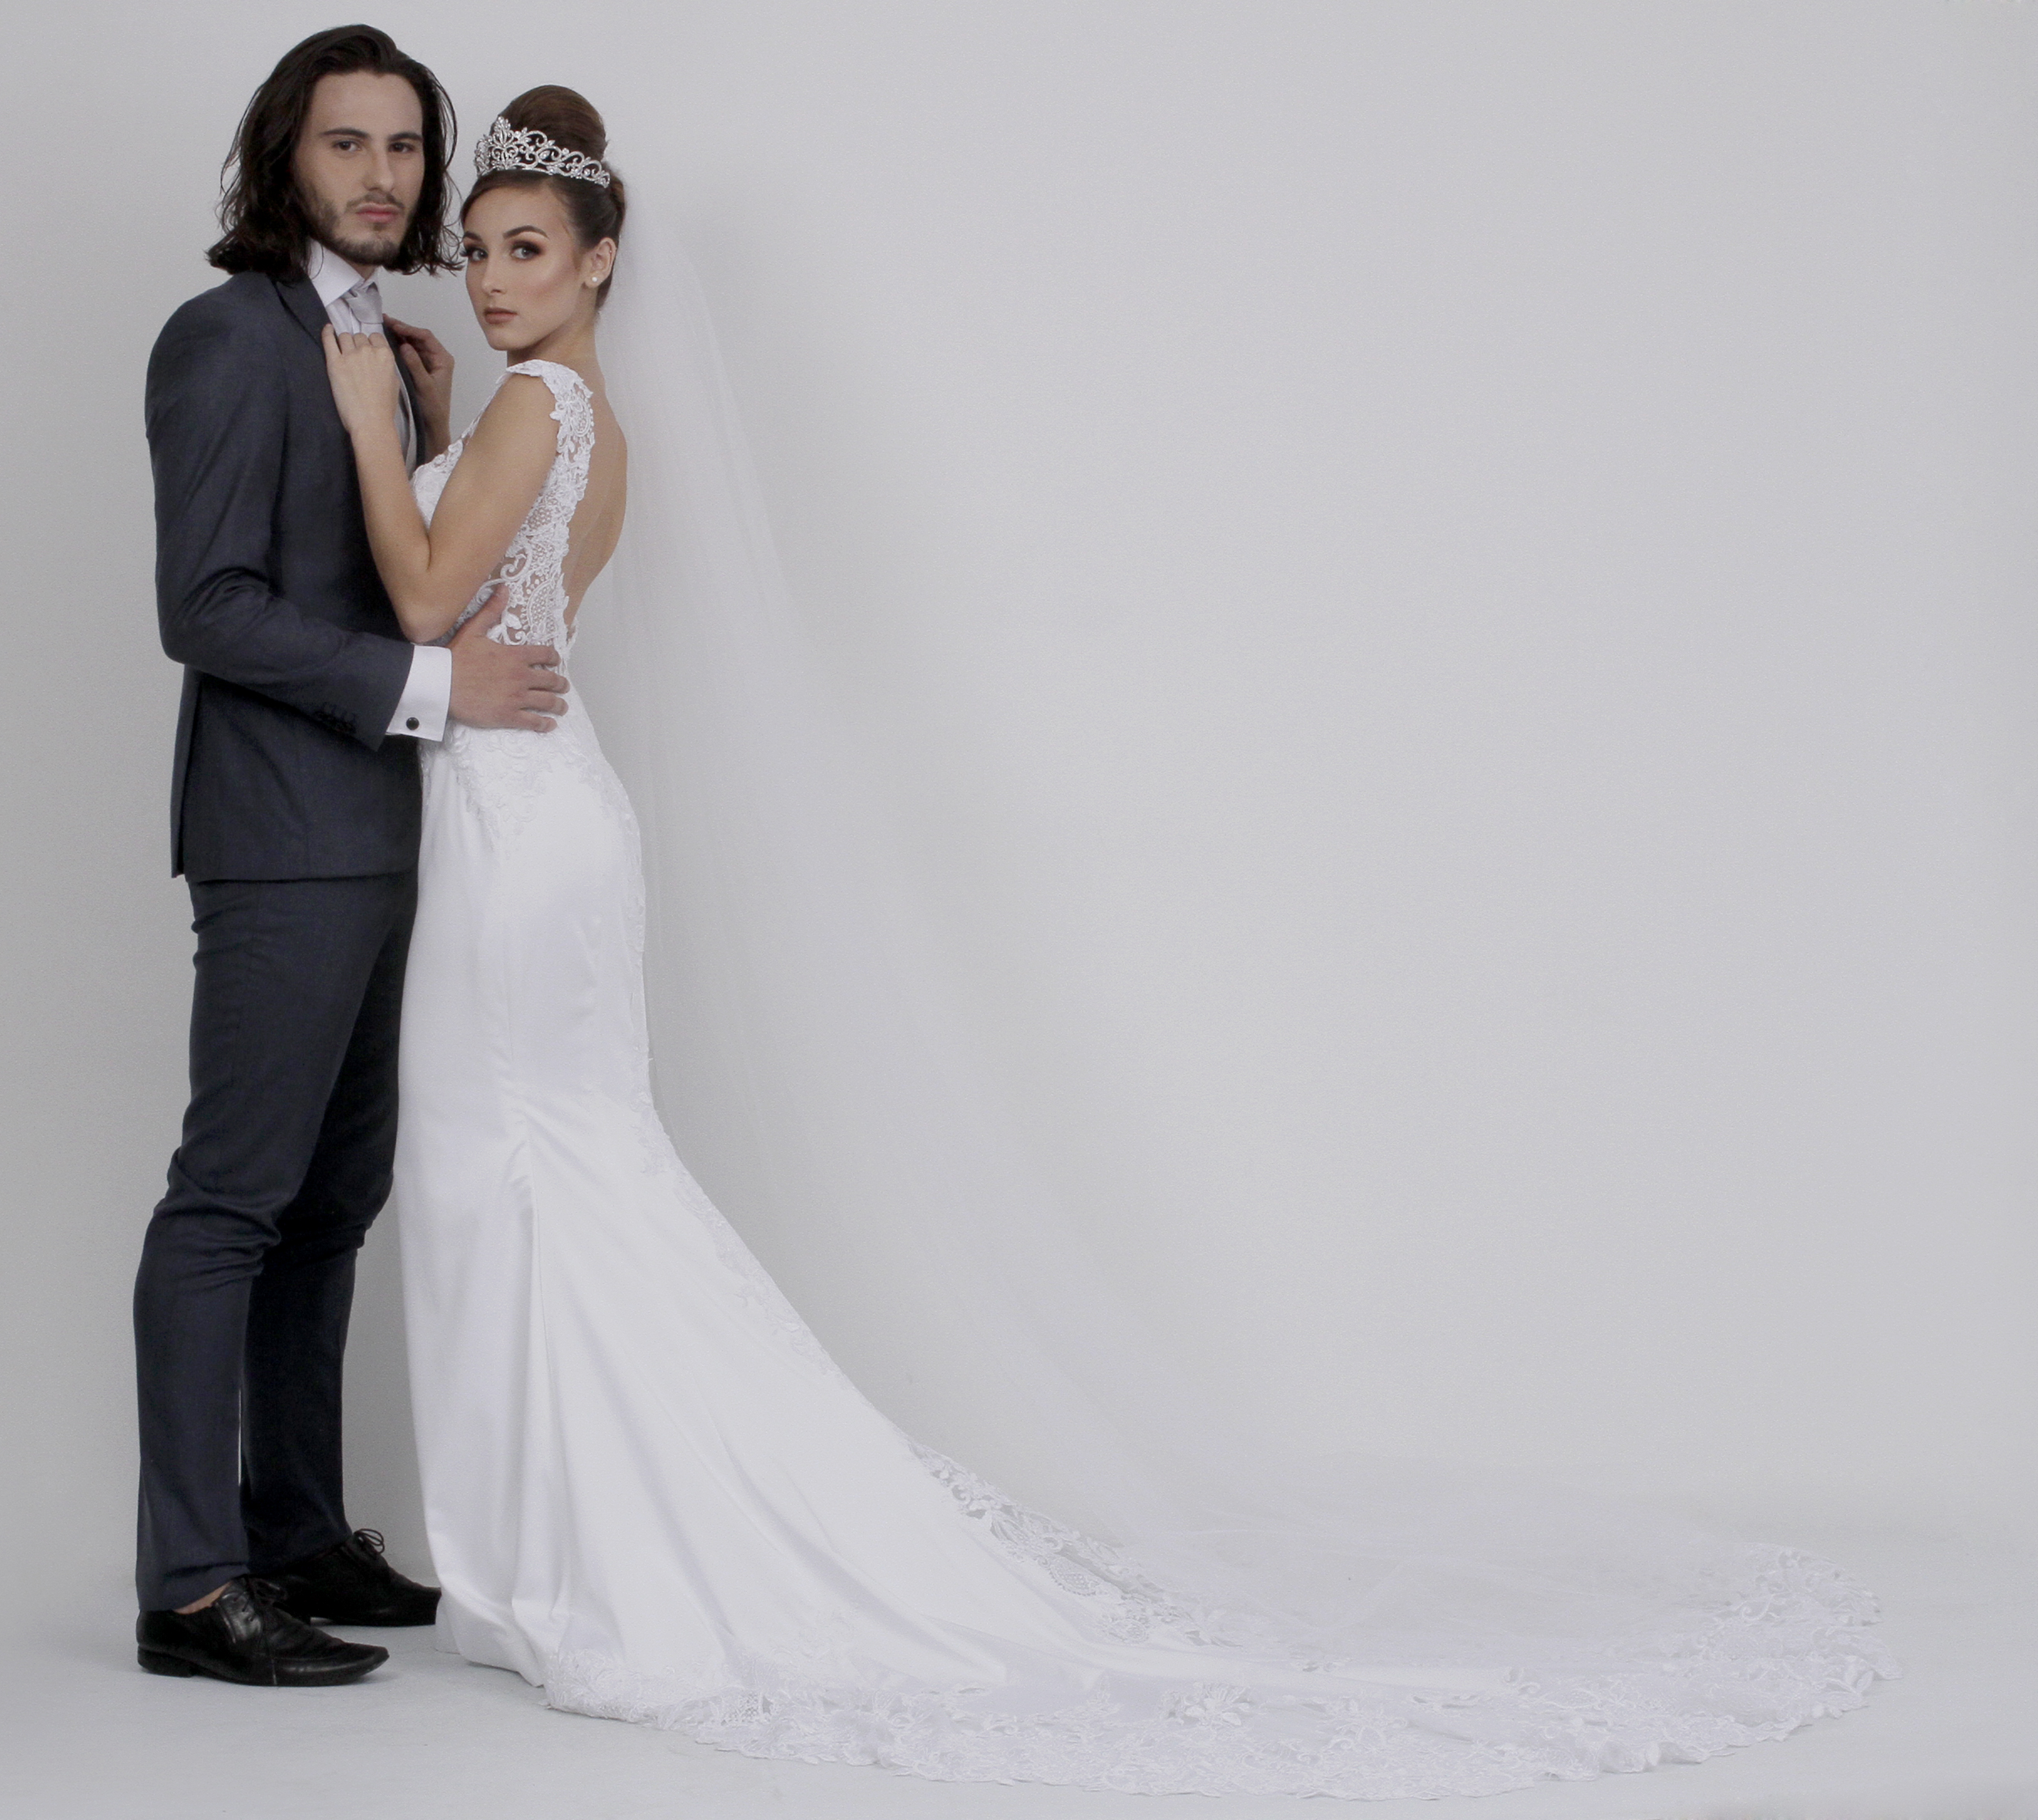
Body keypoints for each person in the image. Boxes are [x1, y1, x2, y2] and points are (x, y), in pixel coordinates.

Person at [322, 87, 1896, 1798]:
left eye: (525, 250)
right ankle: (581, 1546)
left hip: (515, 830)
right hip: (551, 812)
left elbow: (425, 603)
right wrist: (434, 423)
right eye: (477, 252)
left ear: (601, 260)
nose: (490, 279)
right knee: (555, 1173)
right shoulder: (585, 418)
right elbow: (501, 598)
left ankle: (591, 1560)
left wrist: (366, 428)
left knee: (514, 1170)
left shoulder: (538, 406)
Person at [128, 26, 568, 1687]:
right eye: (345, 144)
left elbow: (381, 553)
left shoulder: (381, 340)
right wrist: (435, 688)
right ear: (280, 157)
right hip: (279, 838)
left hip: (388, 831)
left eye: (403, 146)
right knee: (231, 1199)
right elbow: (206, 607)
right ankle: (191, 1586)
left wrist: (423, 420)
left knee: (332, 1201)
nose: (382, 177)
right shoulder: (226, 338)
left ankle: (298, 1528)